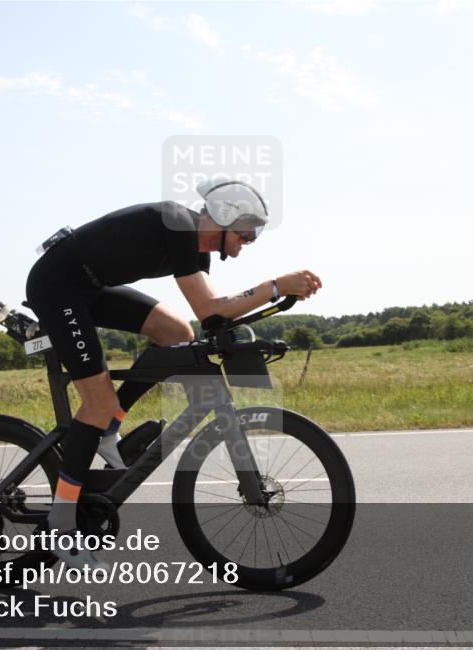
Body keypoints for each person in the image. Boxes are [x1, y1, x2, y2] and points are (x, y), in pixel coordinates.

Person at [25, 177, 322, 569]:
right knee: (96, 402)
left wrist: (270, 305)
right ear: (225, 217)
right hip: (57, 286)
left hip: (88, 288)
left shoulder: (198, 252)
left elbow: (210, 318)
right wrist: (275, 286)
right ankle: (59, 526)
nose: (248, 242)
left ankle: (109, 427)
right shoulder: (180, 226)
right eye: (247, 233)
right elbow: (210, 308)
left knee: (177, 334)